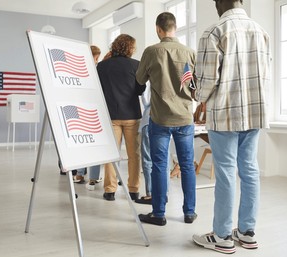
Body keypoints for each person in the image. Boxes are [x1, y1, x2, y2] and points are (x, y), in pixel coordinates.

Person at [192, 0, 271, 254]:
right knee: (249, 170)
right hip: (255, 110)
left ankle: (223, 235)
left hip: (225, 112)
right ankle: (247, 232)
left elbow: (205, 85)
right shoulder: (261, 31)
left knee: (225, 172)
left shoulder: (215, 31)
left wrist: (191, 86)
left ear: (218, 4)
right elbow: (265, 74)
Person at [136, 12, 197, 225]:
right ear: (175, 27)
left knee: (159, 165)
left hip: (160, 118)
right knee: (187, 165)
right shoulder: (190, 52)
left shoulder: (151, 52)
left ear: (158, 29)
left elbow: (139, 81)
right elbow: (195, 88)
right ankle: (189, 213)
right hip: (184, 118)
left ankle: (159, 214)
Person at [97, 34, 146, 201]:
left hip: (110, 115)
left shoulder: (102, 67)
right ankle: (133, 190)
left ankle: (110, 190)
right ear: (130, 48)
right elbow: (140, 90)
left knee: (111, 154)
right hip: (131, 115)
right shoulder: (136, 65)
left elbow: (99, 90)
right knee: (134, 154)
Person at [72, 45, 103, 191]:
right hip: (93, 111)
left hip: (80, 110)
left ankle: (79, 174)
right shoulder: (96, 71)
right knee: (94, 145)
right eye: (97, 57)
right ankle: (93, 177)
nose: (97, 60)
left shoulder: (78, 70)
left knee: (82, 144)